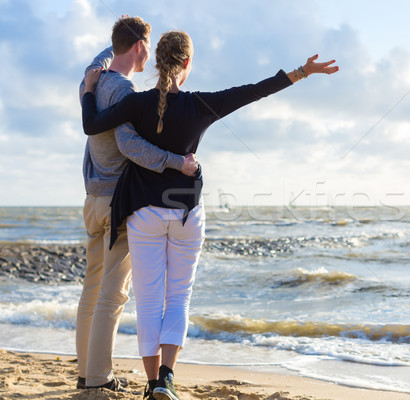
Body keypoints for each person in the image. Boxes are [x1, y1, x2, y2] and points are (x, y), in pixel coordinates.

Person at [81, 29, 338, 400]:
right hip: (186, 213)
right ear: (187, 64)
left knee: (149, 300)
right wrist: (302, 71)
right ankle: (167, 378)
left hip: (143, 214)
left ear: (155, 62)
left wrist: (90, 88)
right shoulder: (201, 105)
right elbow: (254, 90)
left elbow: (92, 125)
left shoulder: (136, 104)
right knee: (179, 298)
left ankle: (152, 383)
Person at [76, 17, 199, 392]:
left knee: (92, 288)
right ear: (142, 47)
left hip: (92, 198)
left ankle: (86, 372)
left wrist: (97, 66)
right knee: (113, 294)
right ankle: (97, 378)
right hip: (117, 201)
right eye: (147, 45)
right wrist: (178, 162)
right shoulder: (125, 92)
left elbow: (98, 63)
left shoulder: (93, 82)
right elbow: (133, 147)